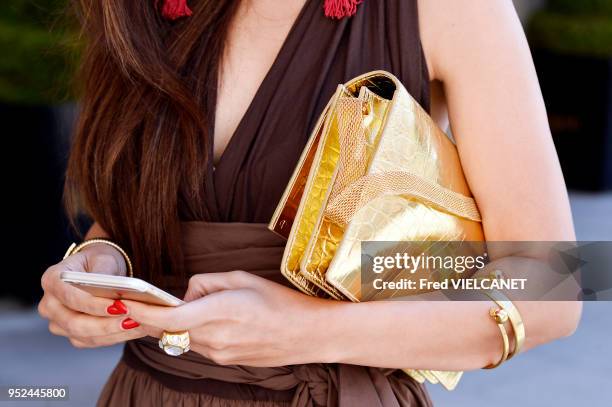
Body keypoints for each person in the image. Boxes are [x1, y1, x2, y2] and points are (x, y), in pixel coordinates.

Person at [37, 0, 581, 405]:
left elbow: (556, 287)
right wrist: (100, 262)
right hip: (145, 391)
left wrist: (307, 330)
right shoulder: (143, 10)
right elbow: (137, 210)